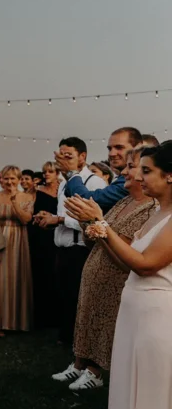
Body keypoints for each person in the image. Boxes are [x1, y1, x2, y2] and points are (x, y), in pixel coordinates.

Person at [64, 141, 172, 409]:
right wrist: (97, 224)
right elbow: (123, 257)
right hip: (133, 310)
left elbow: (146, 264)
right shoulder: (156, 212)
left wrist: (100, 223)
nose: (140, 177)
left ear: (170, 176)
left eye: (148, 171)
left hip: (158, 315)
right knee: (128, 384)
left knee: (151, 388)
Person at [52, 147, 154, 391]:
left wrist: (98, 223)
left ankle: (94, 372)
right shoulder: (123, 201)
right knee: (86, 319)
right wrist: (89, 223)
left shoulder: (149, 208)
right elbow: (97, 238)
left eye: (131, 167)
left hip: (116, 279)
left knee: (104, 327)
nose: (123, 172)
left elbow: (123, 252)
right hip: (94, 269)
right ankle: (79, 365)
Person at [37, 137, 107, 345]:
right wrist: (49, 218)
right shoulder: (62, 184)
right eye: (61, 155)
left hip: (81, 251)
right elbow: (64, 214)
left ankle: (82, 345)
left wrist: (59, 219)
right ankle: (68, 339)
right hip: (61, 249)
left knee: (80, 300)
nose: (63, 159)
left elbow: (98, 222)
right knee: (66, 298)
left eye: (68, 156)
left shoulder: (93, 182)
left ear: (82, 157)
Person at [0, 166, 34, 336]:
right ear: (1, 179)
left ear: (18, 180)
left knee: (17, 278)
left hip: (18, 239)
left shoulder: (28, 196)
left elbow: (26, 219)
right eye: (6, 178)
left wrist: (14, 201)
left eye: (13, 179)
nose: (9, 182)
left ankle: (17, 322)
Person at [60, 127, 141, 212]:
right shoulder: (121, 178)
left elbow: (89, 201)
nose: (112, 153)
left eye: (119, 147)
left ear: (138, 147)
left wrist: (72, 173)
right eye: (110, 149)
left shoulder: (133, 180)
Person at [29, 161, 60, 329]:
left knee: (55, 274)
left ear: (57, 173)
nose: (47, 174)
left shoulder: (63, 190)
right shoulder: (37, 192)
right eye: (44, 172)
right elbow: (30, 213)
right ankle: (40, 318)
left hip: (57, 234)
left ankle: (55, 316)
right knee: (40, 274)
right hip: (40, 236)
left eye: (50, 171)